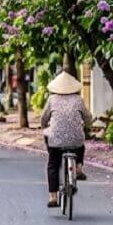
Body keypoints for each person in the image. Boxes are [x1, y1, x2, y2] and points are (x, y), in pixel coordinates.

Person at [41, 71, 92, 207]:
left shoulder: (52, 99)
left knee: (53, 163)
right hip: (76, 140)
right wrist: (87, 125)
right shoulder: (78, 99)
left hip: (56, 140)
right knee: (80, 145)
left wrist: (44, 125)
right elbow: (88, 118)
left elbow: (44, 118)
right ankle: (79, 167)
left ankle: (53, 196)